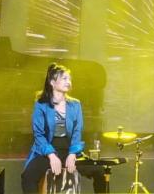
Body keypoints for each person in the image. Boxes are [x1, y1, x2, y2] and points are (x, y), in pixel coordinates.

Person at [21, 63, 105, 194]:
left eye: (69, 79)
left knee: (100, 171)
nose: (68, 82)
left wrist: (73, 153)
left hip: (69, 149)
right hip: (47, 150)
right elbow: (39, 134)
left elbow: (77, 131)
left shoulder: (75, 104)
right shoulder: (41, 104)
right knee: (28, 177)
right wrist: (51, 155)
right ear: (52, 82)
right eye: (64, 78)